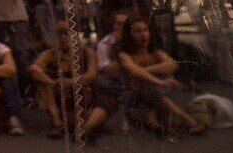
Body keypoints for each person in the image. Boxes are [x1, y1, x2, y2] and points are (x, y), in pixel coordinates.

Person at [117, 14, 205, 137]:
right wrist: (160, 82)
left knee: (156, 82)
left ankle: (152, 119)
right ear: (129, 34)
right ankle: (188, 120)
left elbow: (172, 65)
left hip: (153, 91)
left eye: (145, 30)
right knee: (153, 83)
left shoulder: (154, 51)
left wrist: (146, 70)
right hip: (134, 95)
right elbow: (134, 71)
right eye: (137, 31)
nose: (143, 34)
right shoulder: (124, 55)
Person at [28, 20, 96, 138]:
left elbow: (92, 75)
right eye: (60, 33)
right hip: (59, 98)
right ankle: (57, 123)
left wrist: (70, 82)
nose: (63, 37)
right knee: (43, 83)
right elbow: (34, 69)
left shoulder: (87, 53)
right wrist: (53, 82)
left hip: (80, 99)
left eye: (67, 33)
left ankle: (81, 122)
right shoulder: (50, 54)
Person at [86, 10, 133, 139]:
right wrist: (120, 47)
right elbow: (107, 70)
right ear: (114, 26)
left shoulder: (137, 38)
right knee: (102, 81)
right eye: (119, 24)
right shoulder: (105, 43)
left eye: (125, 24)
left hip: (131, 79)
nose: (122, 27)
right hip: (113, 81)